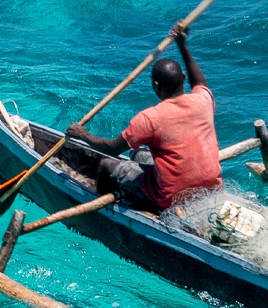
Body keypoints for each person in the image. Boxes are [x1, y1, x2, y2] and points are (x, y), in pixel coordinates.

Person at [65, 21, 222, 212]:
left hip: (168, 199)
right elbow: (200, 82)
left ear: (156, 86)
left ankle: (105, 212)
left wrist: (83, 134)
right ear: (182, 77)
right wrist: (183, 45)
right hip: (210, 188)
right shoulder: (203, 100)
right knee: (136, 154)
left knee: (106, 165)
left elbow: (112, 150)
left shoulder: (150, 118)